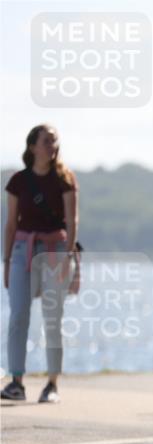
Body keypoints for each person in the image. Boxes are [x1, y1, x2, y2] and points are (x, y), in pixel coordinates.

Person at [2, 124, 79, 403]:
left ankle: (52, 384)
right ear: (33, 146)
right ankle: (16, 382)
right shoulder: (18, 182)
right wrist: (7, 261)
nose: (52, 146)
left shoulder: (65, 179)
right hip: (23, 251)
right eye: (46, 141)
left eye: (55, 141)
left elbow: (72, 221)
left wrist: (68, 256)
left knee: (52, 319)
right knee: (18, 315)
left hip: (55, 250)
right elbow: (10, 224)